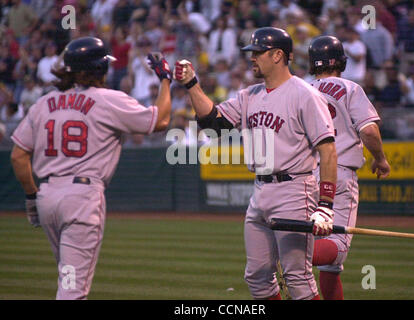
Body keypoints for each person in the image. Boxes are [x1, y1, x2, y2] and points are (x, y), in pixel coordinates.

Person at [174, 27, 338, 300]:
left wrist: (326, 206)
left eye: (258, 52)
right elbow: (213, 126)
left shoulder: (305, 94)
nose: (252, 58)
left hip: (295, 189)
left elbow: (328, 151)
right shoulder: (249, 95)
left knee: (298, 277)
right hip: (260, 190)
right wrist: (192, 84)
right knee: (258, 276)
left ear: (277, 56)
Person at [10, 36, 172, 299]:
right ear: (100, 68)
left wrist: (31, 196)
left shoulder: (44, 102)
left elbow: (18, 156)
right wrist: (165, 79)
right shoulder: (108, 99)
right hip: (81, 198)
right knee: (72, 290)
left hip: (47, 197)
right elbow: (161, 119)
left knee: (68, 278)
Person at [308, 35, 391, 300]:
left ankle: (291, 255)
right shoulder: (349, 88)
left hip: (305, 176)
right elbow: (368, 131)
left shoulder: (302, 89)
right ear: (341, 61)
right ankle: (291, 258)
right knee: (336, 247)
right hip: (339, 171)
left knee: (330, 267)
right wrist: (380, 159)